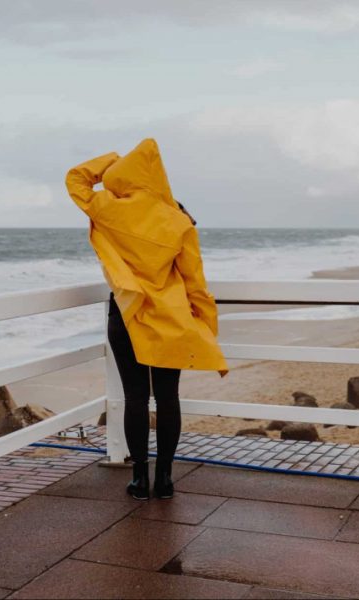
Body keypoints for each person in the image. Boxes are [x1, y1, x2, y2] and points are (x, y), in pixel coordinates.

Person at [65, 138, 228, 500]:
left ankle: (139, 478)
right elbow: (195, 284)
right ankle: (166, 478)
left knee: (135, 398)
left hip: (125, 314)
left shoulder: (108, 207)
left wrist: (111, 161)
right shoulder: (179, 221)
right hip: (170, 320)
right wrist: (206, 328)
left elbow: (75, 179)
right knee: (168, 398)